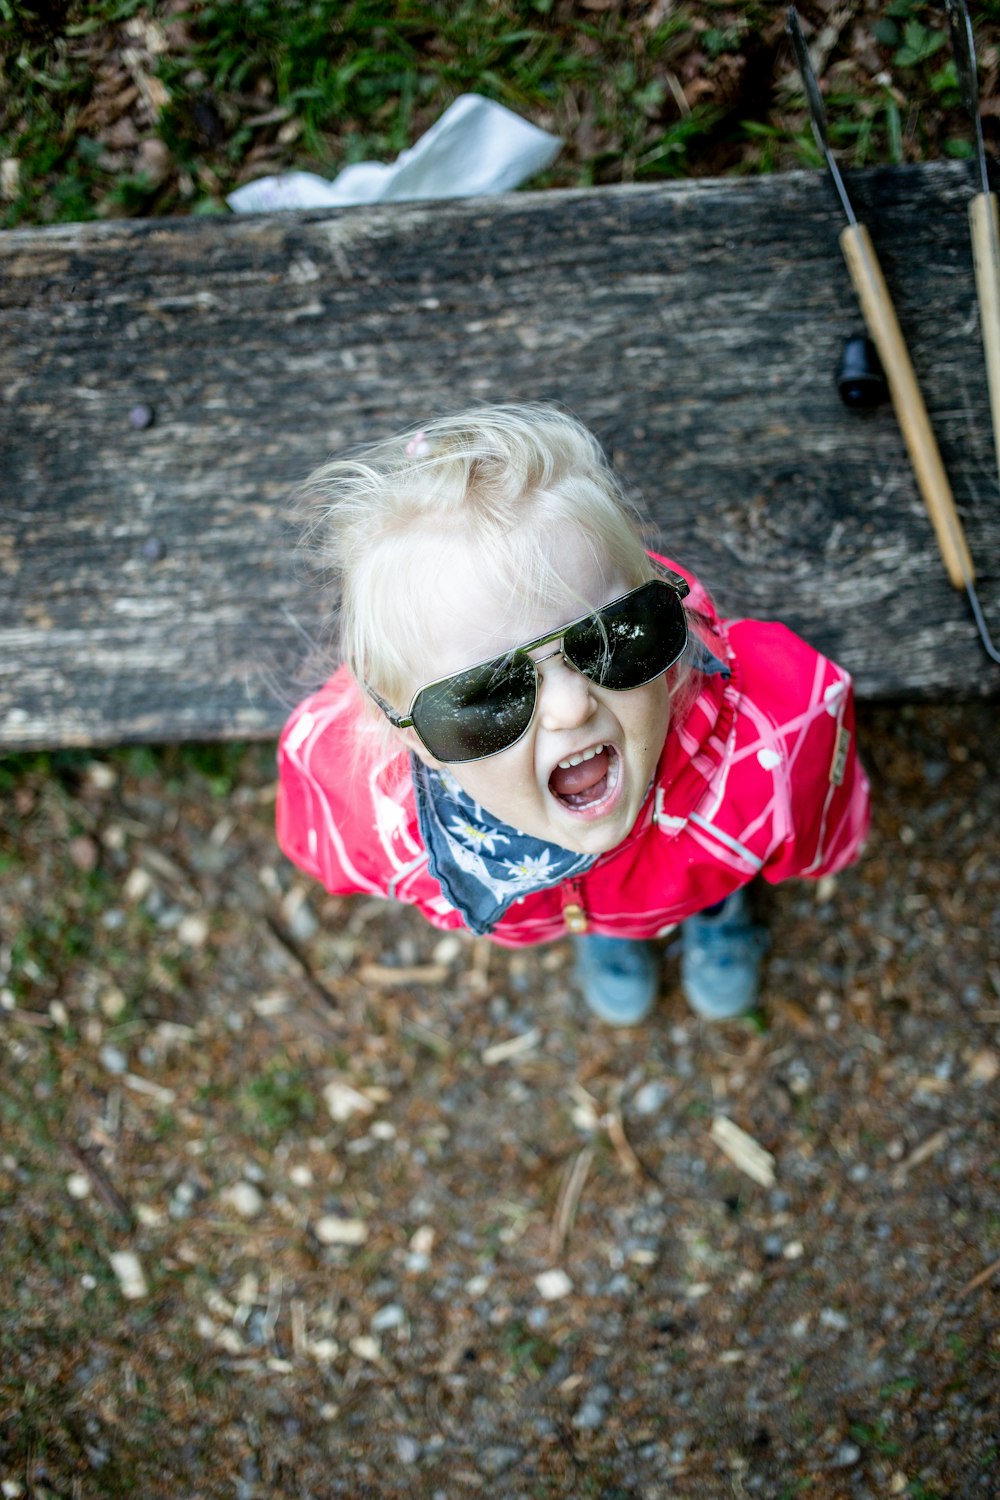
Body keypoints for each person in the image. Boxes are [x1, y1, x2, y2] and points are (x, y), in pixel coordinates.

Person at [276, 404, 869, 1026]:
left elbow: (827, 815)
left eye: (610, 637)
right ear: (405, 733)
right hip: (548, 892)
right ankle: (605, 929)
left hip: (707, 856)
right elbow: (314, 834)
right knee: (608, 897)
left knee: (710, 875)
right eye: (488, 692)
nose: (570, 704)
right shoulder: (372, 813)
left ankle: (714, 909)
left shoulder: (771, 744)